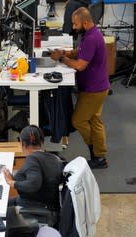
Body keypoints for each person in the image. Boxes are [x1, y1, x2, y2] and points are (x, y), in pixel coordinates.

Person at [51, 7, 109, 169]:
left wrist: (62, 58)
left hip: (94, 89)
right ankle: (99, 156)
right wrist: (67, 53)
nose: (74, 27)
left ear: (85, 22)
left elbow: (81, 66)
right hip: (97, 86)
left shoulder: (91, 38)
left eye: (75, 24)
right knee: (95, 121)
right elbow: (80, 52)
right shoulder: (91, 33)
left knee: (78, 120)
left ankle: (96, 153)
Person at [2, 125, 64, 227]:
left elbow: (34, 184)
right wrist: (14, 178)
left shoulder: (32, 159)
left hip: (39, 212)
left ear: (22, 143)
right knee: (0, 204)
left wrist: (12, 182)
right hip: (44, 206)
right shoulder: (54, 158)